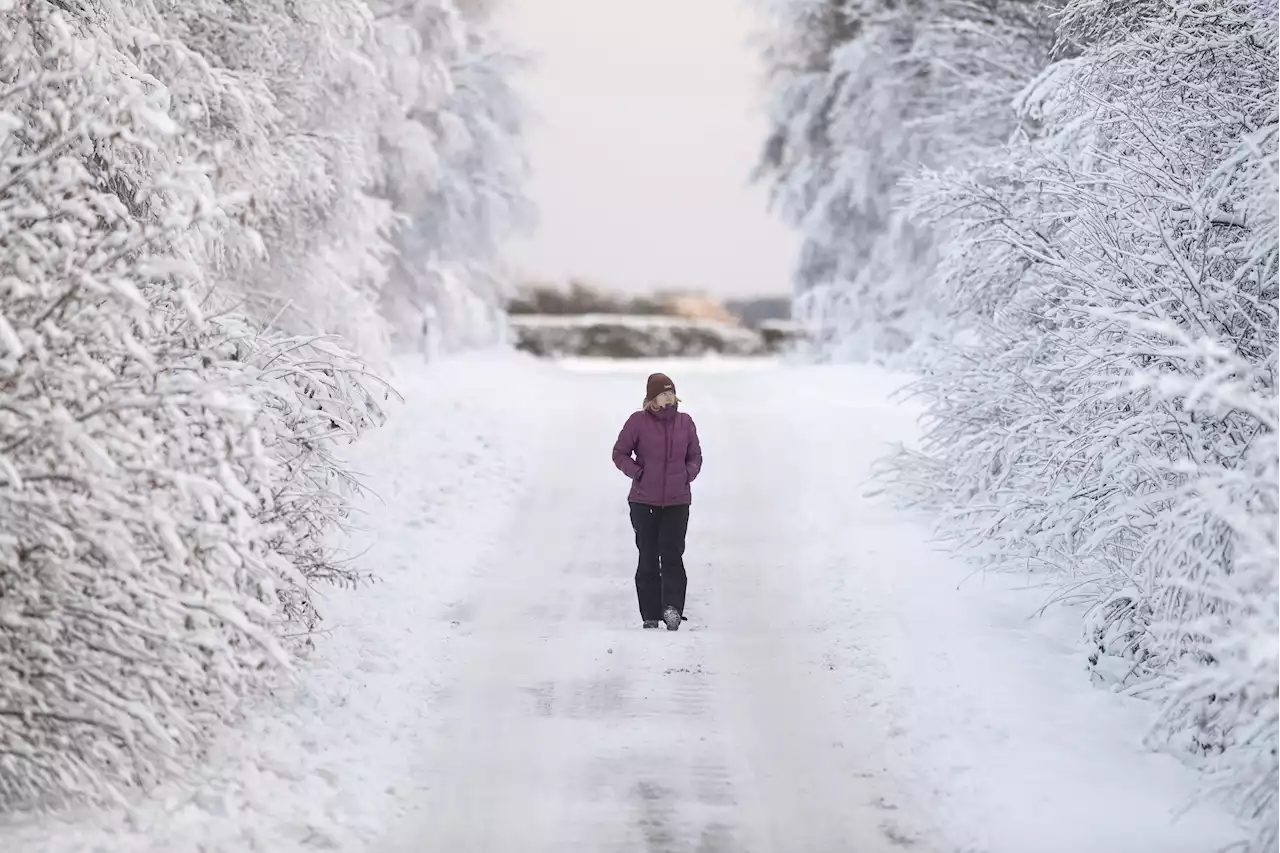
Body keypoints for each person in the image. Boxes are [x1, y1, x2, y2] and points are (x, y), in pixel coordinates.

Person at [611, 372, 703, 631]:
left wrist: (687, 474)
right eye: (663, 393)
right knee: (648, 557)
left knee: (672, 554)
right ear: (652, 398)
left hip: (677, 501)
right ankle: (650, 614)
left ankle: (672, 608)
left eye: (671, 392)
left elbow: (695, 455)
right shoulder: (637, 422)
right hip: (643, 501)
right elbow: (619, 453)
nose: (668, 397)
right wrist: (638, 473)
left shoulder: (685, 422)